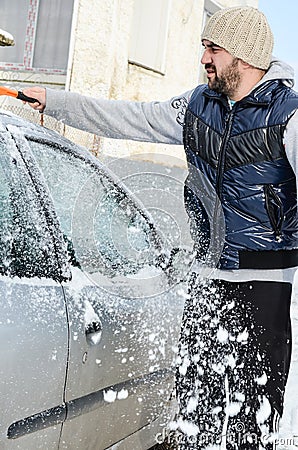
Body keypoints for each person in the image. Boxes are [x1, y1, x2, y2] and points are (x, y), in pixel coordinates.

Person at [23, 6, 298, 449]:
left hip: (263, 281)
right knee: (194, 405)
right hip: (208, 277)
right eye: (203, 47)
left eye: (213, 48)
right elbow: (126, 117)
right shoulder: (196, 106)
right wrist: (57, 103)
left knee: (253, 413)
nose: (204, 57)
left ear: (244, 56)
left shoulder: (289, 116)